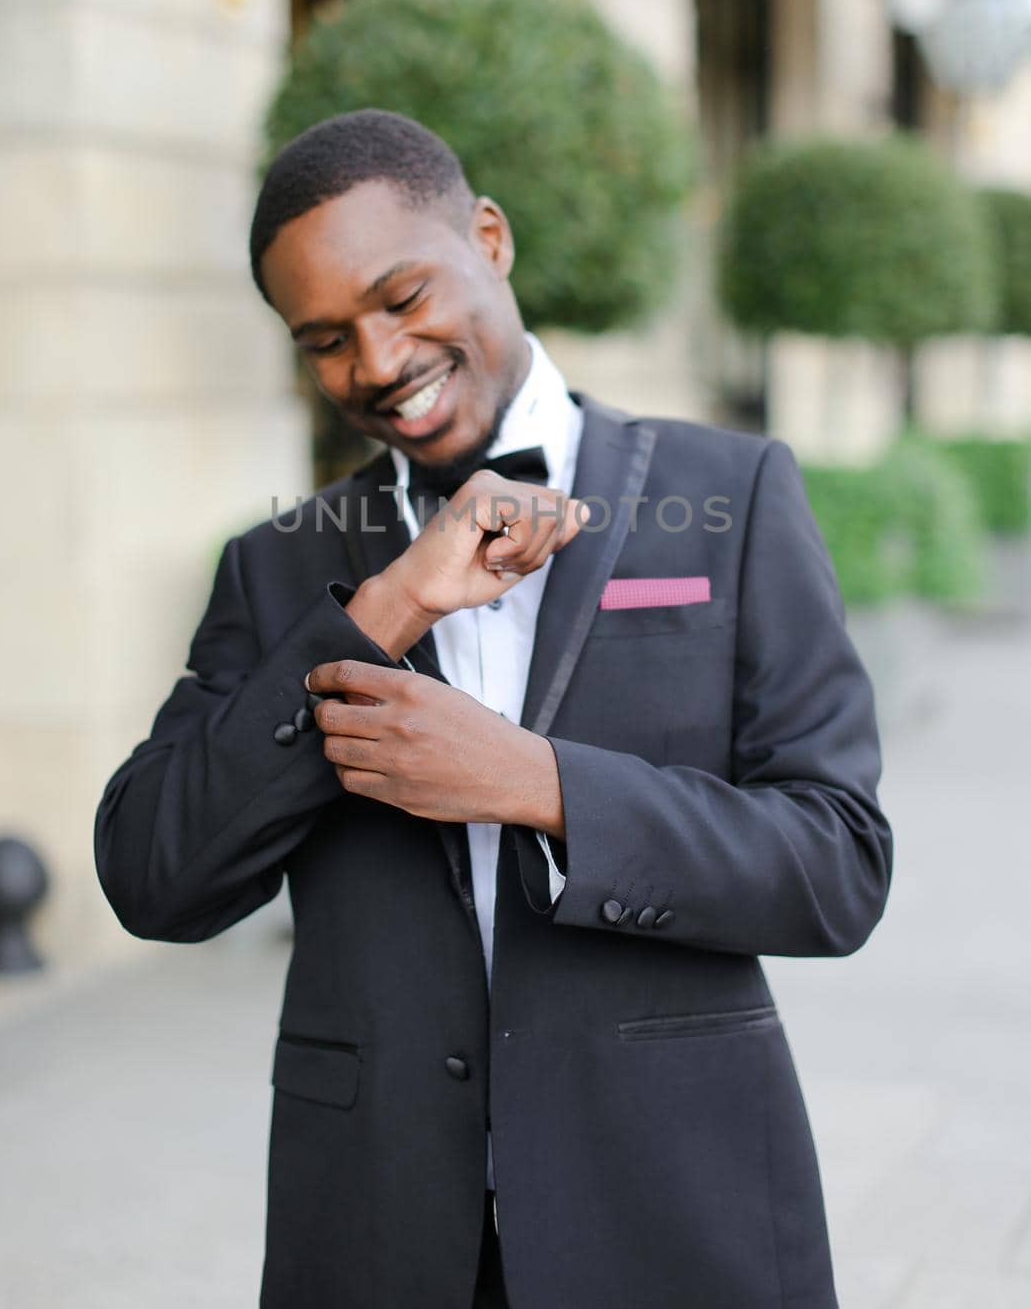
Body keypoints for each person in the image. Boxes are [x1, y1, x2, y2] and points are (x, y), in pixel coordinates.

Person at [94, 109, 892, 1309]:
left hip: (676, 1210)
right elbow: (155, 876)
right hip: (375, 1235)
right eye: (325, 339)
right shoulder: (277, 568)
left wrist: (540, 785)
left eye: (402, 296)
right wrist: (386, 609)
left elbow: (837, 864)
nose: (374, 361)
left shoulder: (728, 497)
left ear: (489, 237)